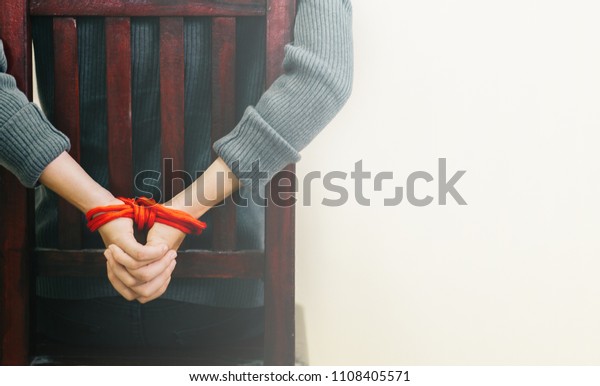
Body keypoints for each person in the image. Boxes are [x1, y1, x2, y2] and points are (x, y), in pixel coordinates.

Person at [0, 0, 353, 348]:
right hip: (225, 300)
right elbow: (323, 76)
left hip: (64, 294)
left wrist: (101, 208)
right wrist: (182, 213)